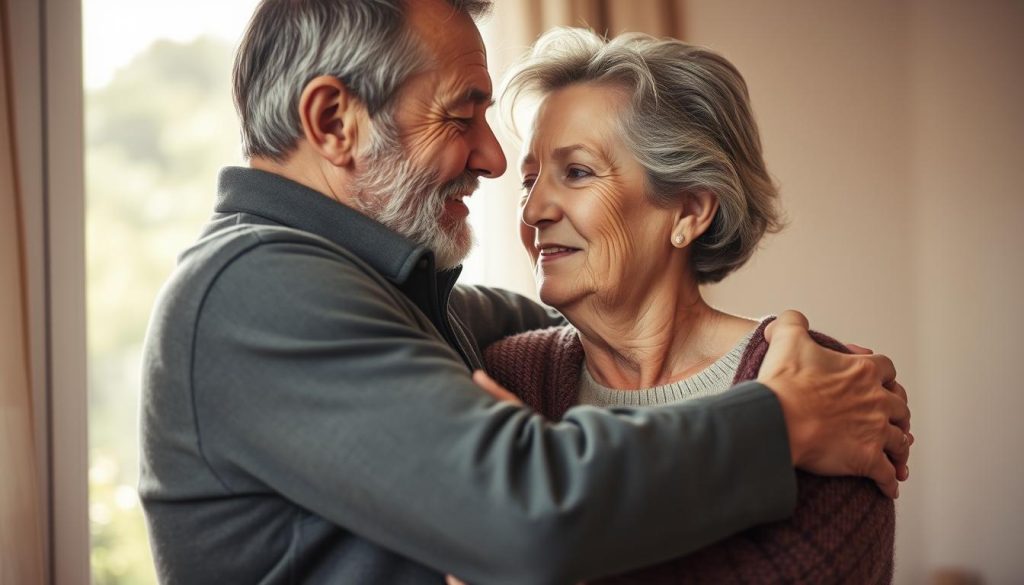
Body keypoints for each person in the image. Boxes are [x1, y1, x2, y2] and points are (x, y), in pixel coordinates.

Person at [139, 1, 911, 583]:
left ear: (689, 209)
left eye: (574, 171)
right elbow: (528, 507)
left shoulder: (403, 304)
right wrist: (784, 418)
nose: (496, 162)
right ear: (334, 119)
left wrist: (799, 368)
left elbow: (565, 328)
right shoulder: (257, 290)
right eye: (460, 114)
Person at [465, 28, 899, 584]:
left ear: (690, 211)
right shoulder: (509, 375)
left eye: (576, 172)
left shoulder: (832, 392)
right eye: (530, 182)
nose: (534, 211)